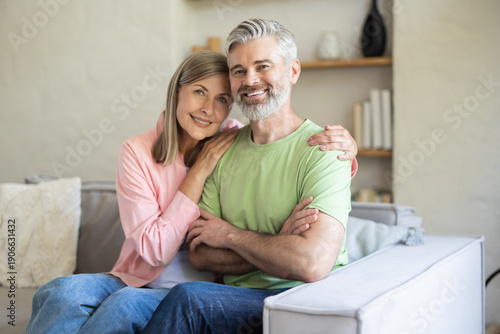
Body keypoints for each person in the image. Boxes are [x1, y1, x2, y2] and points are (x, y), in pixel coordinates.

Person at [26, 49, 357, 332]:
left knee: (124, 307)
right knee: (57, 293)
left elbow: (283, 147)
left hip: (198, 283)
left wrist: (348, 151)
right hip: (136, 277)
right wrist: (198, 170)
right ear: (177, 92)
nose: (207, 110)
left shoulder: (232, 140)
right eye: (199, 92)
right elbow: (153, 251)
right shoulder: (137, 151)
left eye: (222, 99)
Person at [141, 18, 353, 334]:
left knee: (190, 299)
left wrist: (231, 236)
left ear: (293, 71)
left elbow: (311, 262)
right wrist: (281, 245)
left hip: (302, 299)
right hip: (235, 298)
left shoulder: (325, 150)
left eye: (262, 66)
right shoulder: (220, 150)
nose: (250, 80)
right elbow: (201, 254)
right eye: (238, 71)